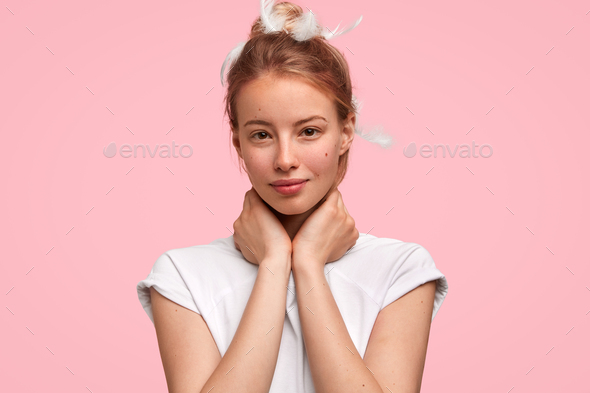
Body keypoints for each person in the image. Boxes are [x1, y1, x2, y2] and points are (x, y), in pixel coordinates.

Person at [136, 1, 449, 392]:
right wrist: (273, 263)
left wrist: (309, 264)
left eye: (309, 132)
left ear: (346, 130)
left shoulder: (401, 271)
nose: (285, 160)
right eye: (262, 135)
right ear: (238, 142)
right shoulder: (183, 276)